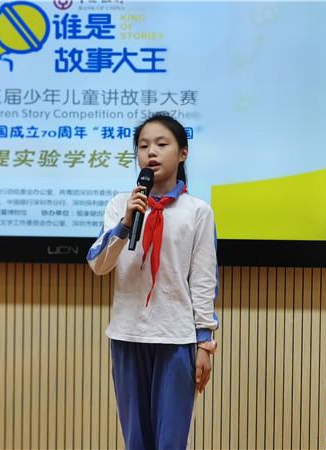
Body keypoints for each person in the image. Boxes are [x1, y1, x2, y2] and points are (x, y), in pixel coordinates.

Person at [87, 112, 219, 450]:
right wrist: (126, 223)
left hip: (176, 338)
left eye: (162, 144)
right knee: (136, 439)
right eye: (143, 146)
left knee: (170, 440)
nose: (151, 152)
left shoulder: (198, 211)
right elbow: (98, 264)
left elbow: (203, 280)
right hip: (127, 335)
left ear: (183, 153)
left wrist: (204, 343)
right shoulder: (120, 205)